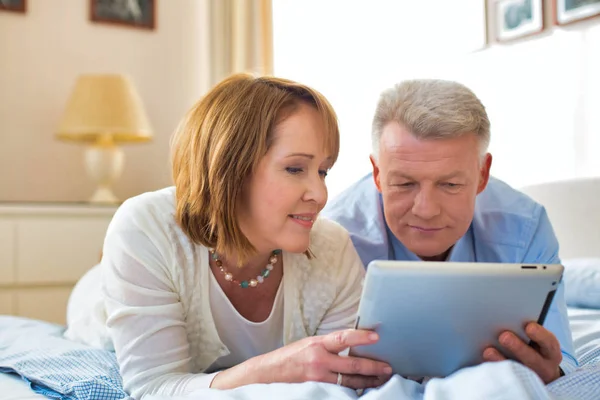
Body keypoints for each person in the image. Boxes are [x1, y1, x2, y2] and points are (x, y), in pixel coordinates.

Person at [64, 74, 392, 399]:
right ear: (230, 166)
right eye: (295, 169)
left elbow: (335, 379)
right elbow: (153, 388)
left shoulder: (331, 246)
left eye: (323, 171)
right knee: (101, 286)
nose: (320, 194)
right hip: (98, 307)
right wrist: (273, 368)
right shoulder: (145, 226)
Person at [322, 79, 577, 384]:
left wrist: (552, 372)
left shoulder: (525, 225)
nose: (426, 209)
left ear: (482, 175)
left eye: (450, 185)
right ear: (377, 174)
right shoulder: (334, 236)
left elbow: (562, 361)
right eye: (404, 183)